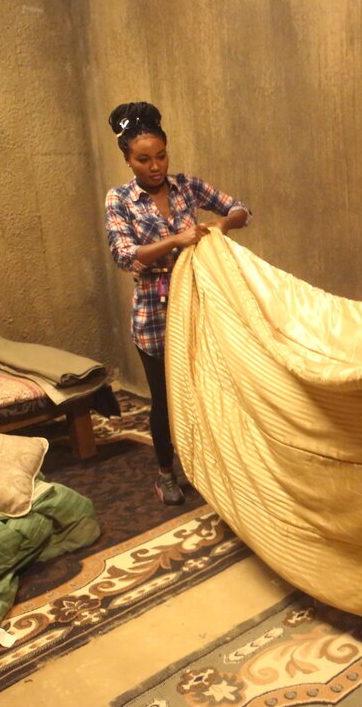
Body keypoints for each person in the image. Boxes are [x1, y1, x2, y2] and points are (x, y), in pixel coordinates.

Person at [104, 101, 251, 506]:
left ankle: (209, 465)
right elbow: (123, 255)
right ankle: (166, 473)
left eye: (161, 156)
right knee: (165, 398)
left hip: (199, 307)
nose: (155, 166)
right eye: (143, 159)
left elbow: (242, 209)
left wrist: (223, 222)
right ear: (129, 160)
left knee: (208, 390)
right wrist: (174, 241)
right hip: (154, 315)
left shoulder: (188, 186)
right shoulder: (119, 200)